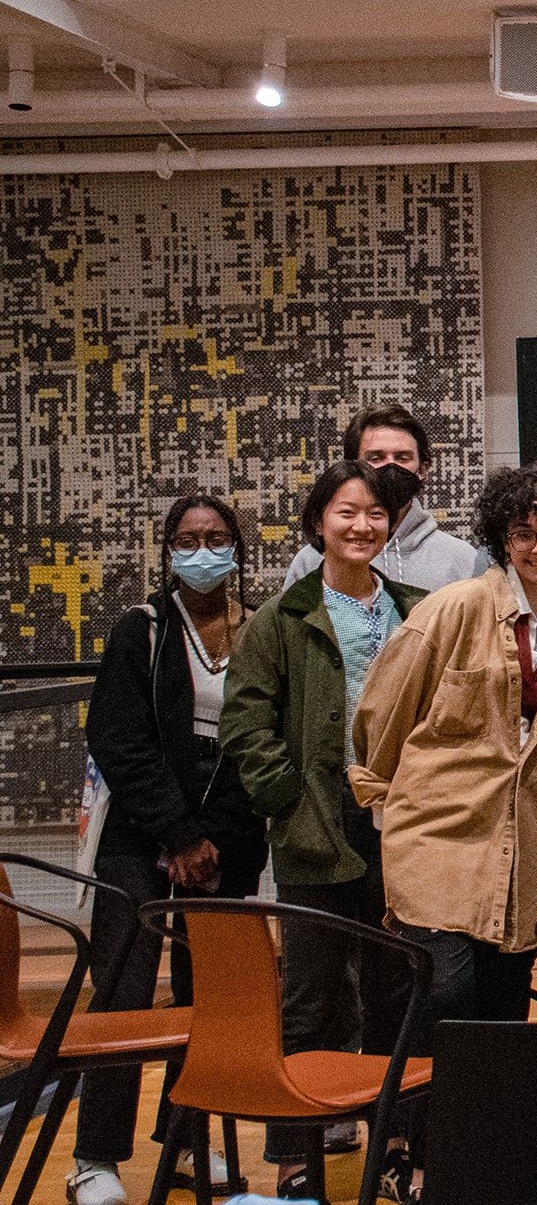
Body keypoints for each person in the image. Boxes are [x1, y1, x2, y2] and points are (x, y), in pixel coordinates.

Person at [347, 465, 537, 1199]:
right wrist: (384, 801)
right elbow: (381, 712)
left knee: (503, 1002)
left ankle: (483, 1162)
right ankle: (412, 1153)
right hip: (435, 831)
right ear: (501, 538)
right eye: (524, 533)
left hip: (519, 843)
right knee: (447, 990)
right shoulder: (453, 608)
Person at [220, 462, 423, 1199]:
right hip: (316, 819)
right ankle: (295, 1158)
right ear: (318, 522)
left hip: (404, 823)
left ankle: (394, 1145)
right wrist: (287, 795)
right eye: (346, 512)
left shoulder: (417, 608)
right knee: (310, 994)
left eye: (375, 514)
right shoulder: (282, 617)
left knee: (397, 990)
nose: (362, 526)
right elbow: (246, 721)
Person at [68, 497, 268, 1205]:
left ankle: (187, 1141)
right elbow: (117, 738)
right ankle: (94, 1159)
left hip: (228, 838)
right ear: (168, 552)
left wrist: (213, 837)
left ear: (237, 547)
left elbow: (265, 735)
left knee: (206, 996)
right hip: (140, 836)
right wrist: (178, 834)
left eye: (216, 538)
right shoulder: (142, 630)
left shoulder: (261, 627)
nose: (202, 551)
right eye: (187, 540)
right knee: (122, 993)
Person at [281, 404, 481, 591]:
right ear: (353, 466)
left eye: (403, 458)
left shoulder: (462, 559)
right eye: (376, 458)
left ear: (422, 469)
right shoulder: (313, 560)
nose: (391, 467)